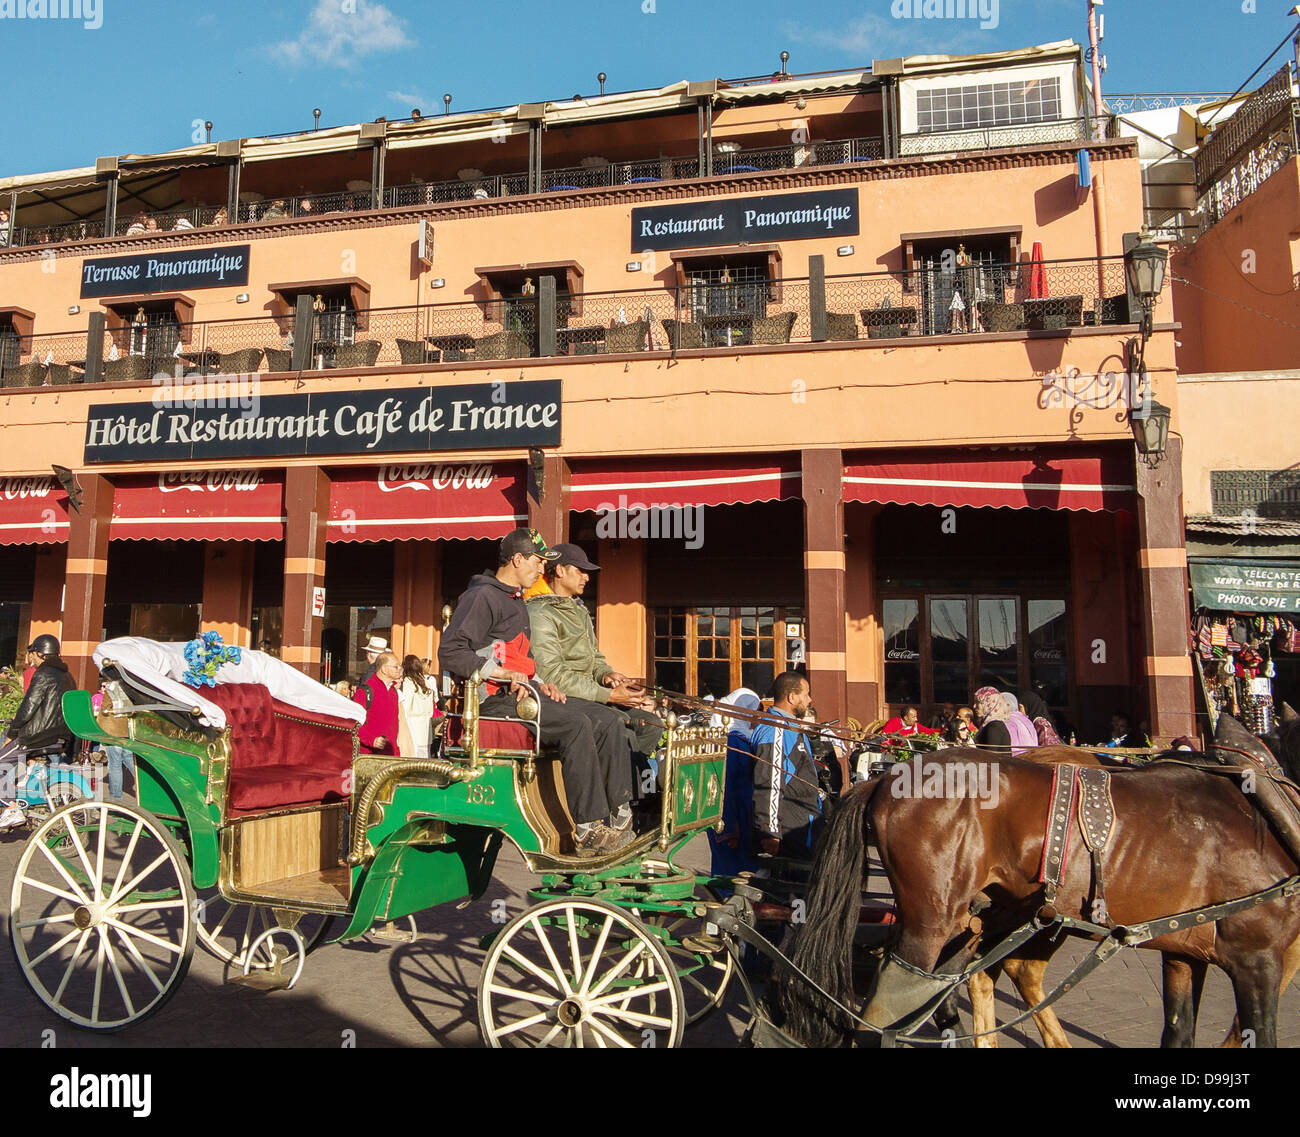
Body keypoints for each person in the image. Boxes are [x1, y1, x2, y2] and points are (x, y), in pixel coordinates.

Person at [438, 528, 635, 854]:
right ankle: (587, 830)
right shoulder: (482, 596)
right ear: (517, 559)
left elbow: (520, 656)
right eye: (537, 561)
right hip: (490, 705)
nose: (541, 570)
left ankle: (620, 816)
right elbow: (452, 652)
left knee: (605, 718)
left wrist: (540, 680)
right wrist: (502, 673)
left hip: (522, 694)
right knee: (576, 724)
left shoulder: (514, 599)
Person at [525, 542, 664, 761]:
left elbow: (595, 658)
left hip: (590, 696)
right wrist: (608, 695)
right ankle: (615, 788)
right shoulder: (540, 612)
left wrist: (606, 675)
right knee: (618, 726)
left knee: (652, 725)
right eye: (580, 570)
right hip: (564, 699)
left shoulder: (579, 610)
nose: (586, 577)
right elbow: (552, 674)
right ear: (560, 570)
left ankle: (630, 785)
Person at [752, 671, 824, 860]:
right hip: (790, 831)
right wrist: (770, 832)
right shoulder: (775, 730)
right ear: (792, 697)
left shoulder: (789, 727)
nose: (810, 700)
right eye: (806, 694)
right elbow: (769, 783)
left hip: (805, 824)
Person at [708, 690, 761, 875]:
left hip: (741, 814)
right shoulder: (731, 742)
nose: (755, 717)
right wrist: (728, 828)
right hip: (733, 816)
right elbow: (723, 786)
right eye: (753, 711)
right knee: (734, 871)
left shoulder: (738, 738)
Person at [353, 651, 402, 756]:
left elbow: (394, 724)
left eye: (400, 667)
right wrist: (372, 740)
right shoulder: (365, 691)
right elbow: (354, 723)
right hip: (369, 754)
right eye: (396, 667)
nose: (400, 670)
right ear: (384, 669)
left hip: (389, 754)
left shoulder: (393, 691)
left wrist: (396, 751)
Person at [91, 686, 135, 799]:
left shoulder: (112, 686)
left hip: (113, 729)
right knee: (129, 759)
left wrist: (99, 725)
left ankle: (116, 797)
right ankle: (146, 786)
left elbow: (105, 707)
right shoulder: (130, 686)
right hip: (126, 729)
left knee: (115, 764)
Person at [397, 655, 437, 759]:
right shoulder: (426, 681)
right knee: (424, 759)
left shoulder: (407, 683)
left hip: (412, 726)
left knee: (413, 760)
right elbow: (431, 710)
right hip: (425, 727)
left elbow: (405, 706)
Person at [973, 686, 1013, 751]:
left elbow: (990, 756)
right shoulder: (990, 724)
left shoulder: (994, 726)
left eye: (978, 703)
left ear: (989, 704)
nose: (974, 706)